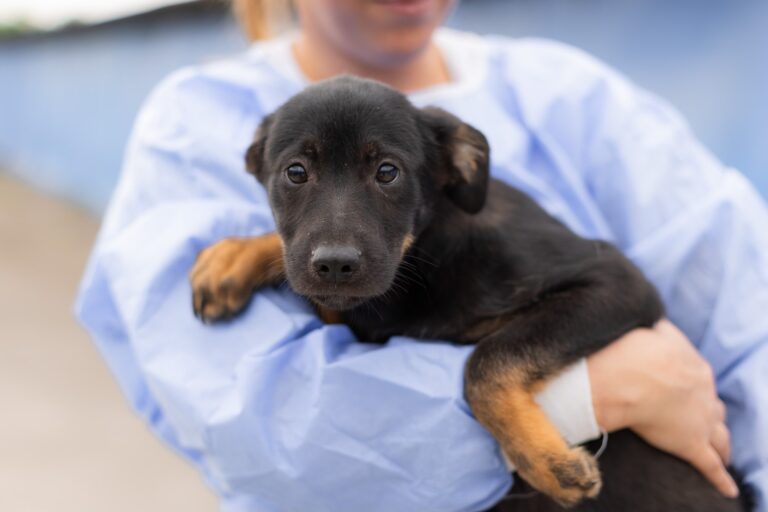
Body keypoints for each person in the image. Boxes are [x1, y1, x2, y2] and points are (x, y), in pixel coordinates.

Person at [76, 0, 768, 510]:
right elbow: (257, 420)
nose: (336, 243)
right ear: (259, 166)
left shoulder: (572, 95)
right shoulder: (193, 123)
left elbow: (747, 313)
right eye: (297, 173)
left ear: (453, 175)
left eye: (386, 173)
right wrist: (584, 396)